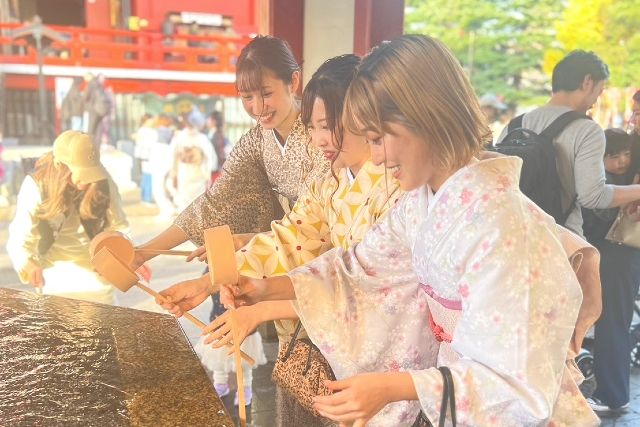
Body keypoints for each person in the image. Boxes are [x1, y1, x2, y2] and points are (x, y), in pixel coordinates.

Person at [219, 35, 599, 426]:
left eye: (378, 138)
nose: (378, 157)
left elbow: (515, 385)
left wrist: (396, 387)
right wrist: (265, 287)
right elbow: (358, 271)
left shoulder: (504, 228)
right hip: (457, 394)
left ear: (425, 117)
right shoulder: (421, 204)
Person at [159, 54, 408, 425]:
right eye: (312, 127)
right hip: (341, 344)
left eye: (327, 126)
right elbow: (287, 239)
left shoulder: (396, 187)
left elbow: (366, 287)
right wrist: (207, 283)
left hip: (390, 354)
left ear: (363, 115)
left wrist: (262, 306)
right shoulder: (332, 184)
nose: (319, 139)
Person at [132, 35, 328, 269]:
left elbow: (316, 220)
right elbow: (217, 201)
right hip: (283, 241)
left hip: (321, 248)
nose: (257, 107)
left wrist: (246, 241)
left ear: (293, 81)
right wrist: (144, 253)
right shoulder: (257, 140)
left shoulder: (322, 137)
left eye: (266, 94)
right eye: (247, 97)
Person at [498, 50, 640, 238]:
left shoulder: (514, 125)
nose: (595, 102)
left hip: (512, 234)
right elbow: (593, 196)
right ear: (587, 82)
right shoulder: (587, 130)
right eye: (598, 92)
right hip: (561, 240)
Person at [7, 131, 129, 305]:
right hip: (53, 273)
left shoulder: (103, 180)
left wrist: (124, 253)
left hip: (96, 272)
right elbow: (20, 235)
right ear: (60, 165)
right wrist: (27, 263)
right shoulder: (36, 184)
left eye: (92, 172)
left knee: (103, 327)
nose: (87, 181)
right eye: (82, 173)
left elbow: (119, 226)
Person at [582, 129, 640, 415]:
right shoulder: (631, 142)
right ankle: (612, 391)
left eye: (625, 155)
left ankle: (613, 395)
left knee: (612, 318)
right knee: (611, 317)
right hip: (616, 248)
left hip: (619, 248)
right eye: (634, 111)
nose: (622, 160)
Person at [169, 108, 215, 211]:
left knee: (185, 204)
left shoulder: (179, 137)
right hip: (197, 173)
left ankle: (185, 225)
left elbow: (173, 158)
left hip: (184, 173)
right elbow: (210, 158)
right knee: (197, 203)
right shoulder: (202, 138)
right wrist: (208, 175)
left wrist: (174, 175)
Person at [206, 111, 228, 183]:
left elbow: (219, 154)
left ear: (214, 122)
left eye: (209, 119)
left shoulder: (217, 136)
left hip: (215, 170)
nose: (207, 121)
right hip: (214, 169)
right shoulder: (214, 134)